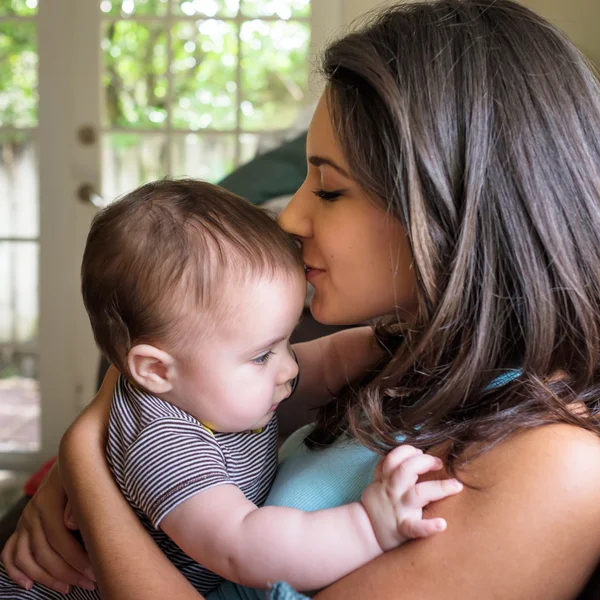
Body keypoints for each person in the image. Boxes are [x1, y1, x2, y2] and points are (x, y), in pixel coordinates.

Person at [3, 0, 600, 597]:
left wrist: (84, 461)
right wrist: (100, 458)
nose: (290, 216)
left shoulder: (556, 468)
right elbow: (166, 398)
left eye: (330, 189)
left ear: (452, 208)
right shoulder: (415, 359)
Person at [0, 180, 460, 599]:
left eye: (286, 341)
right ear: (156, 371)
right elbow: (244, 547)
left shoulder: (213, 382)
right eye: (263, 354)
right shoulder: (163, 442)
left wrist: (402, 345)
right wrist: (368, 526)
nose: (286, 368)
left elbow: (333, 361)